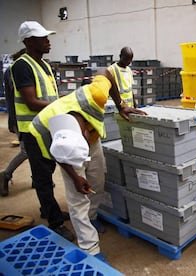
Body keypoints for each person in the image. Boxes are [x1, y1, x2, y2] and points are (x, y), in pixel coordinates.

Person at [28, 68, 146, 261]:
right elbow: (59, 155)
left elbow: (106, 73)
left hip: (91, 140)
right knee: (78, 200)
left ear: (84, 133)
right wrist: (75, 177)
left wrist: (120, 104)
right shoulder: (42, 131)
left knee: (97, 182)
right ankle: (90, 249)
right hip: (64, 151)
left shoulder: (95, 94)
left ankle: (92, 217)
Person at [10, 21, 73, 240]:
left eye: (47, 37)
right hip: (33, 130)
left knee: (49, 170)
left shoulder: (44, 65)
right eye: (42, 37)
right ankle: (54, 221)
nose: (48, 41)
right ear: (28, 41)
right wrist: (62, 106)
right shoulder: (22, 66)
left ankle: (48, 209)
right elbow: (31, 102)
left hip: (49, 126)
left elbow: (49, 97)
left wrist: (66, 100)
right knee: (42, 176)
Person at [0, 48, 29, 196]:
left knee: (38, 151)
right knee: (26, 151)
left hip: (31, 118)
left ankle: (37, 179)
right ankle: (5, 175)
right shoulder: (15, 70)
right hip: (21, 119)